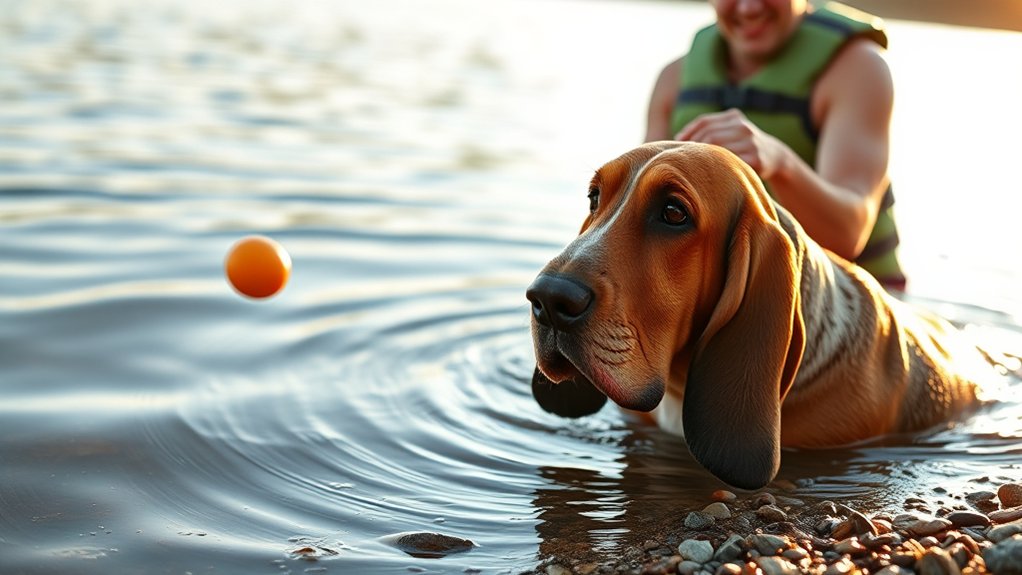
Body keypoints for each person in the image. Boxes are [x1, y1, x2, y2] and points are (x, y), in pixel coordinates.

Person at [646, 0, 906, 290]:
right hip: (735, 292)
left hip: (852, 296)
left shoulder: (859, 68)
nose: (748, 8)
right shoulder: (673, 79)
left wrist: (780, 163)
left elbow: (847, 236)